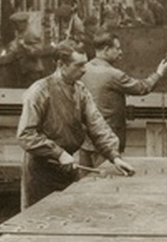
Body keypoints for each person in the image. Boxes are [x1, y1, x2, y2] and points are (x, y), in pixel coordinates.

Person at [16, 40, 136, 208]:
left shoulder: (80, 90)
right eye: (78, 65)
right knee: (38, 221)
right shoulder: (39, 92)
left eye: (85, 64)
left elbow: (97, 125)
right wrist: (58, 153)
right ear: (61, 64)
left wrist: (114, 156)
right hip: (41, 171)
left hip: (68, 166)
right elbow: (25, 135)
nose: (84, 70)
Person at [80, 31, 167, 163]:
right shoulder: (113, 75)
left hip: (85, 141)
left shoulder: (83, 70)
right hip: (106, 143)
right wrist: (159, 73)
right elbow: (142, 88)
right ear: (106, 50)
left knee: (84, 182)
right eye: (117, 48)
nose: (121, 52)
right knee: (105, 181)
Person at [7, 12, 47, 88]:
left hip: (33, 72)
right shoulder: (21, 32)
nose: (14, 27)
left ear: (22, 23)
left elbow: (38, 52)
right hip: (24, 70)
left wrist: (24, 46)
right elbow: (17, 43)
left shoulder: (32, 33)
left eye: (16, 24)